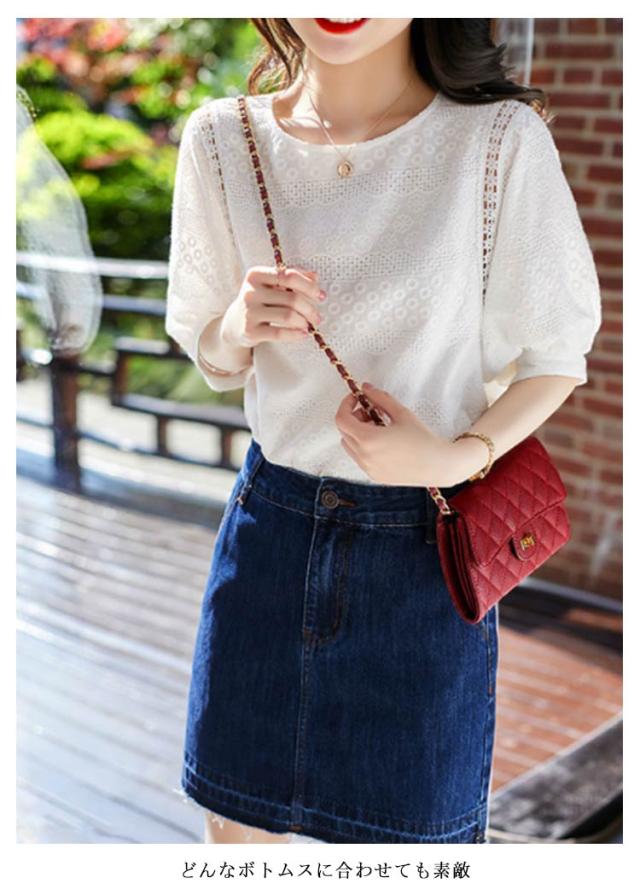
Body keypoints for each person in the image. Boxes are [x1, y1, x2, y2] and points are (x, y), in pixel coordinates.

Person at [165, 18, 602, 845]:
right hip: (269, 536)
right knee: (238, 847)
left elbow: (557, 358)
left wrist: (452, 455)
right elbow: (209, 349)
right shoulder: (222, 138)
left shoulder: (497, 141)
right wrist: (240, 322)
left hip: (421, 555)